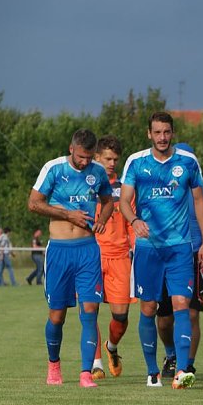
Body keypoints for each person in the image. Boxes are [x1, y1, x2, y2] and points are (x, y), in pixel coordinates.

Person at [120, 112, 203, 389]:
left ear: (172, 133)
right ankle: (152, 371)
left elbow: (199, 201)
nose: (162, 137)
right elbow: (124, 201)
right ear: (149, 133)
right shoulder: (136, 162)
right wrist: (134, 220)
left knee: (182, 304)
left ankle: (182, 371)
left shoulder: (187, 162)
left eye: (167, 132)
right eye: (157, 132)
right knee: (148, 307)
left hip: (180, 248)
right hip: (148, 249)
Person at [28, 128, 114, 387]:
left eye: (88, 157)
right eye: (80, 157)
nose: (84, 162)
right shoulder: (53, 169)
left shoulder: (98, 172)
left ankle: (86, 373)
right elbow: (33, 203)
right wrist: (68, 215)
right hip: (60, 250)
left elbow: (108, 201)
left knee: (90, 311)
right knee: (57, 315)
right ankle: (54, 364)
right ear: (71, 149)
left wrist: (102, 219)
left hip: (88, 250)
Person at [156, 143, 203, 379]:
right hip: (166, 255)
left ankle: (188, 365)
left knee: (192, 314)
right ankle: (171, 355)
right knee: (165, 320)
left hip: (196, 256)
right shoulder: (162, 188)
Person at [90, 135, 133, 380]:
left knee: (121, 316)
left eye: (115, 159)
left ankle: (112, 347)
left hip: (120, 258)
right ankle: (96, 363)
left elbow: (131, 222)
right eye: (107, 158)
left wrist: (136, 249)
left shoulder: (125, 188)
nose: (112, 163)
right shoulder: (86, 185)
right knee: (90, 311)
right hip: (92, 256)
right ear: (96, 157)